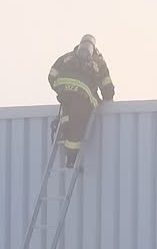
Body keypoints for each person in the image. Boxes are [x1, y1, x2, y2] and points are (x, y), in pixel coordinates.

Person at [48, 34, 115, 168]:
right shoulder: (99, 62)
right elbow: (106, 85)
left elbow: (51, 76)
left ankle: (63, 125)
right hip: (82, 93)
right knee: (79, 122)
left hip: (64, 91)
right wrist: (108, 100)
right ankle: (72, 159)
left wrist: (60, 88)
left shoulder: (66, 57)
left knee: (69, 106)